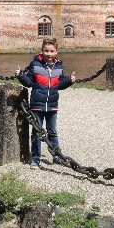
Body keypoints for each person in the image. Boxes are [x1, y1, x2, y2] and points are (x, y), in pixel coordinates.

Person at [15, 37, 76, 168]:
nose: (49, 53)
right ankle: (36, 158)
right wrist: (21, 75)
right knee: (37, 132)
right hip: (37, 104)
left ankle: (56, 156)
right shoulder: (35, 64)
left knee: (52, 131)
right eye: (46, 51)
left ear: (56, 52)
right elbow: (30, 82)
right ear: (42, 50)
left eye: (51, 51)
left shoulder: (59, 65)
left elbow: (59, 84)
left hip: (52, 104)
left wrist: (69, 80)